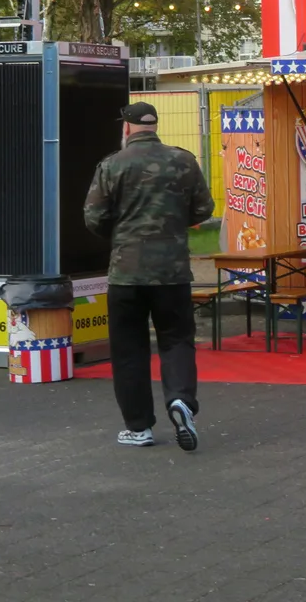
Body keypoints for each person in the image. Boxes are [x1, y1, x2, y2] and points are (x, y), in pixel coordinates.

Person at [84, 102, 214, 452]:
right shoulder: (184, 161)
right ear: (155, 125)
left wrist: (124, 231)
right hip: (172, 272)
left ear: (126, 129)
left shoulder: (112, 164)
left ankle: (138, 427)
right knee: (177, 341)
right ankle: (181, 401)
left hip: (126, 274)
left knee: (129, 350)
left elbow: (94, 217)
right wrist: (170, 224)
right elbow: (204, 208)